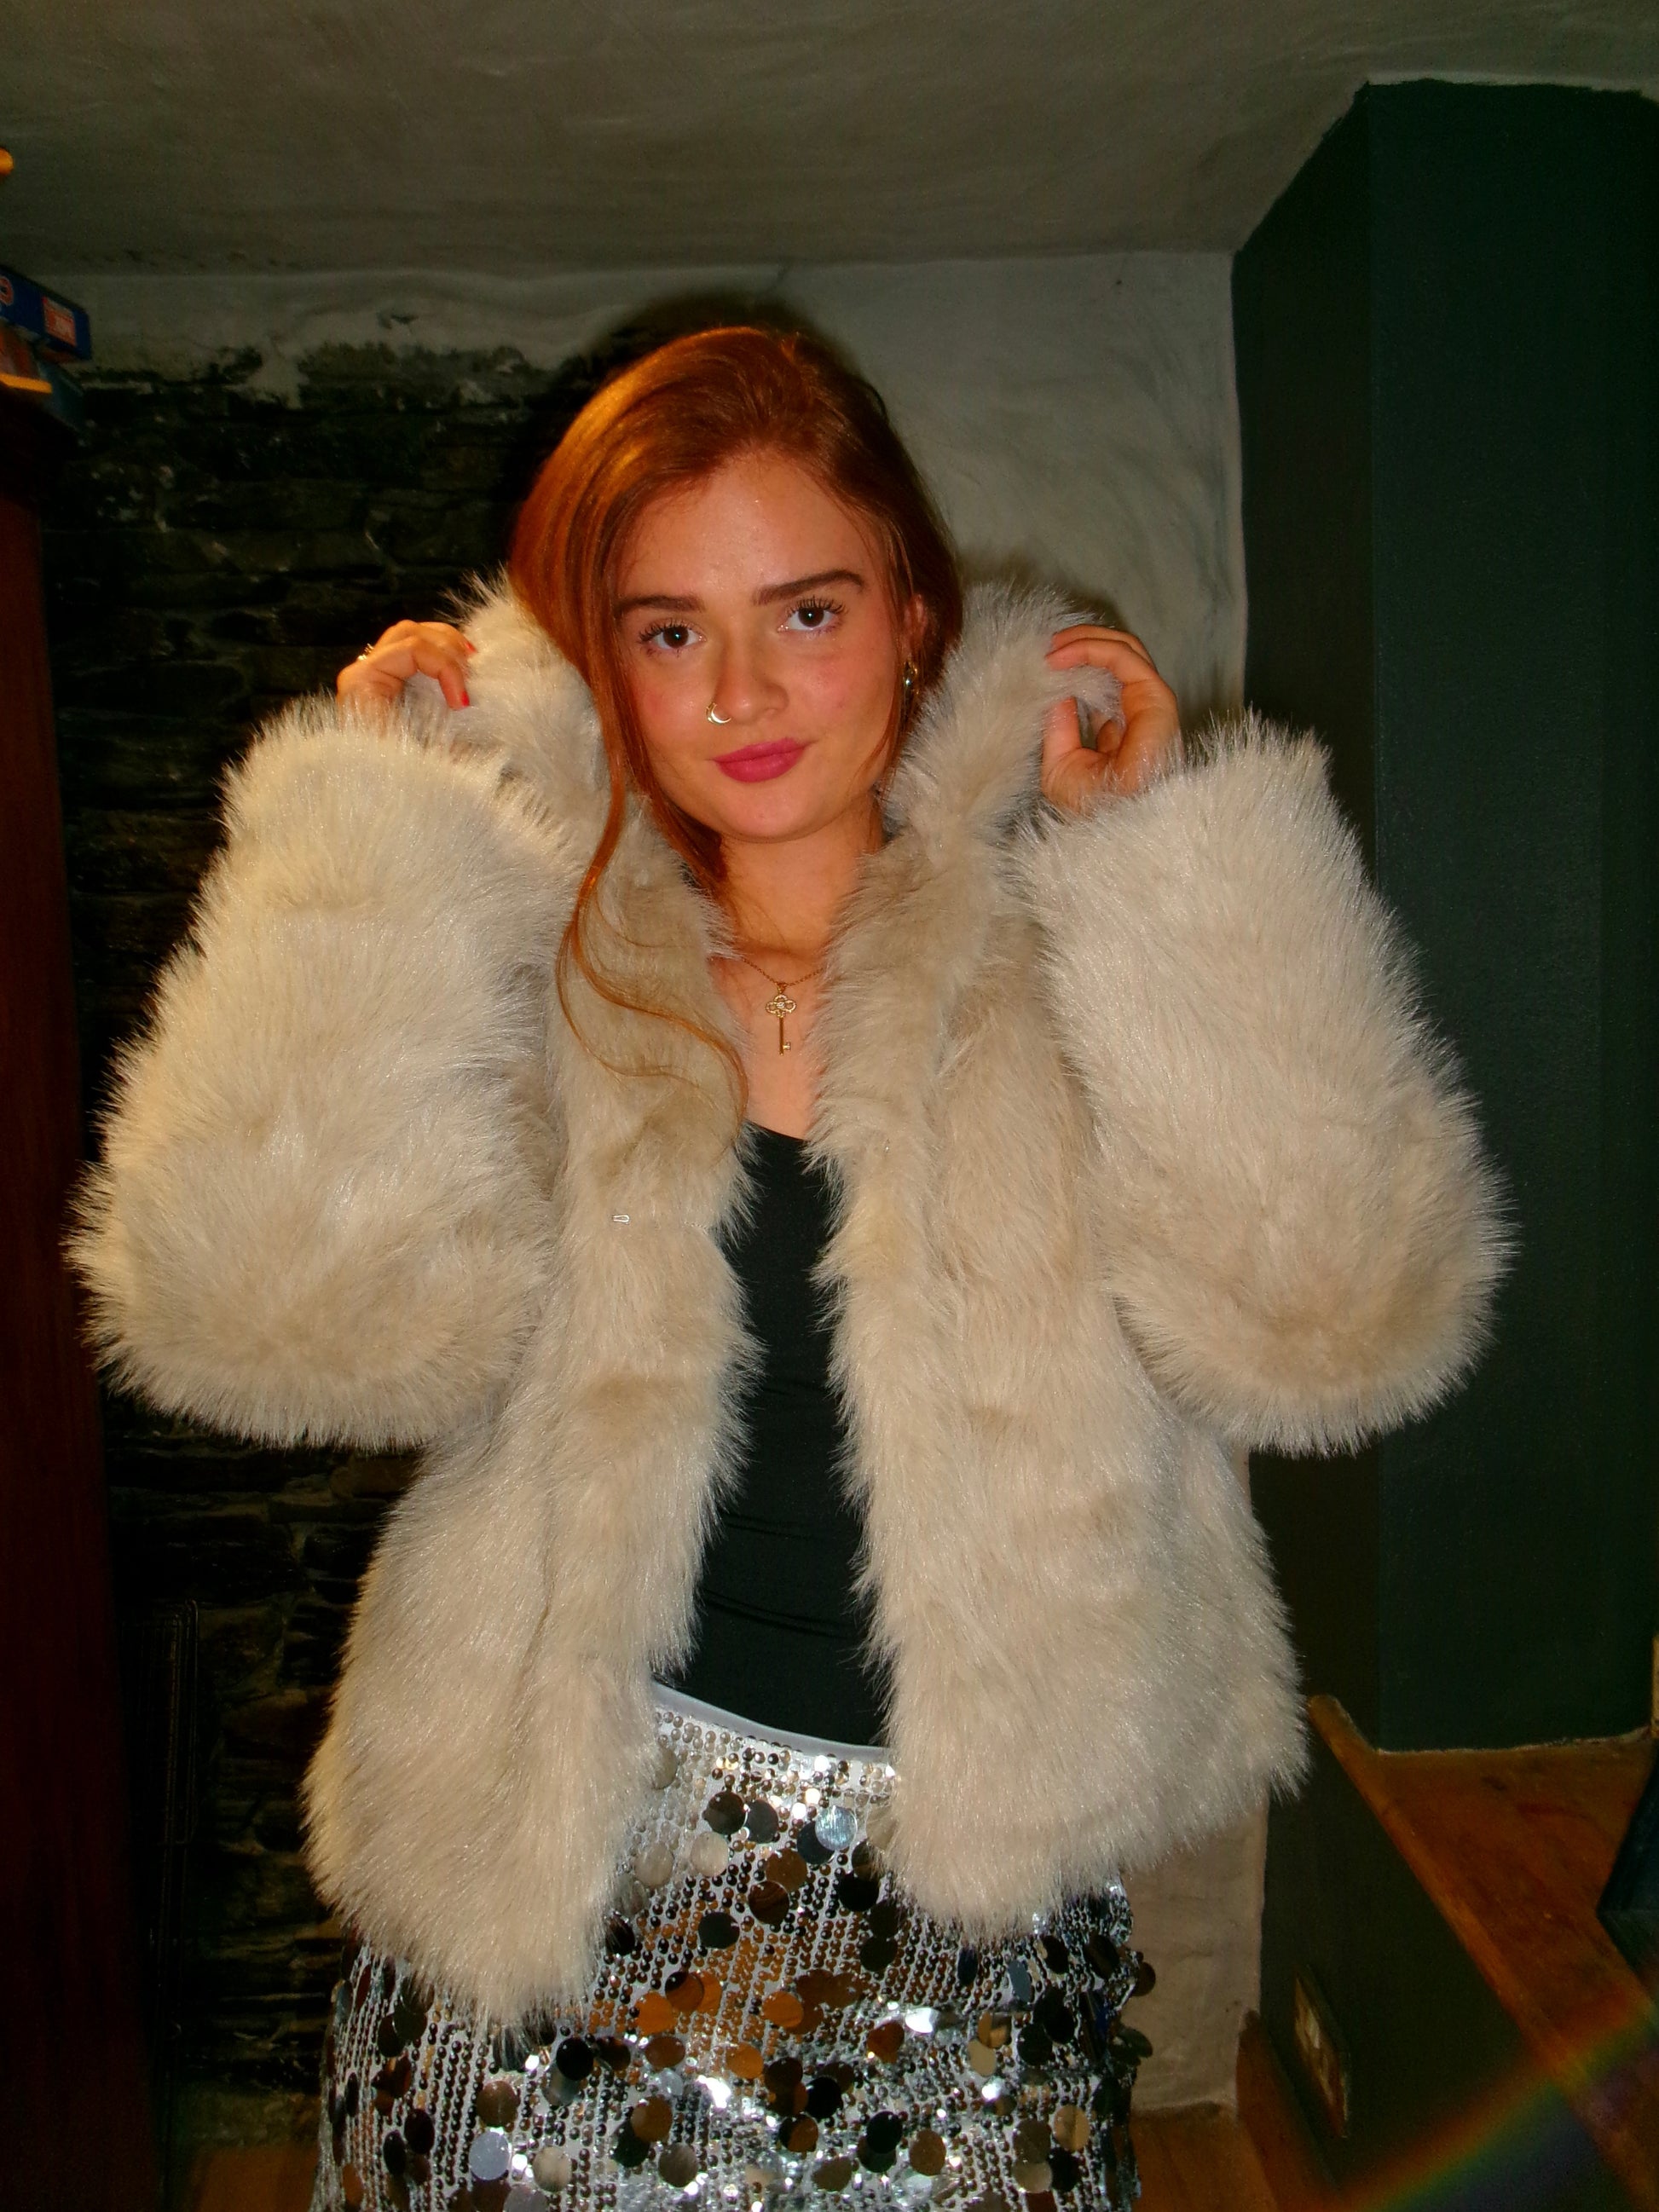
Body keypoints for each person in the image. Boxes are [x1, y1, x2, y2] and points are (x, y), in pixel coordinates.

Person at [72, 326, 1503, 2212]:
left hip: (965, 1956)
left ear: (911, 612)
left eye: (805, 611)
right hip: (536, 1917)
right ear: (603, 662)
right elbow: (265, 1323)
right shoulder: (537, 959)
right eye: (668, 630)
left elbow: (1339, 1326)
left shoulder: (1080, 947)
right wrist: (371, 850)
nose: (739, 691)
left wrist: (1174, 865)